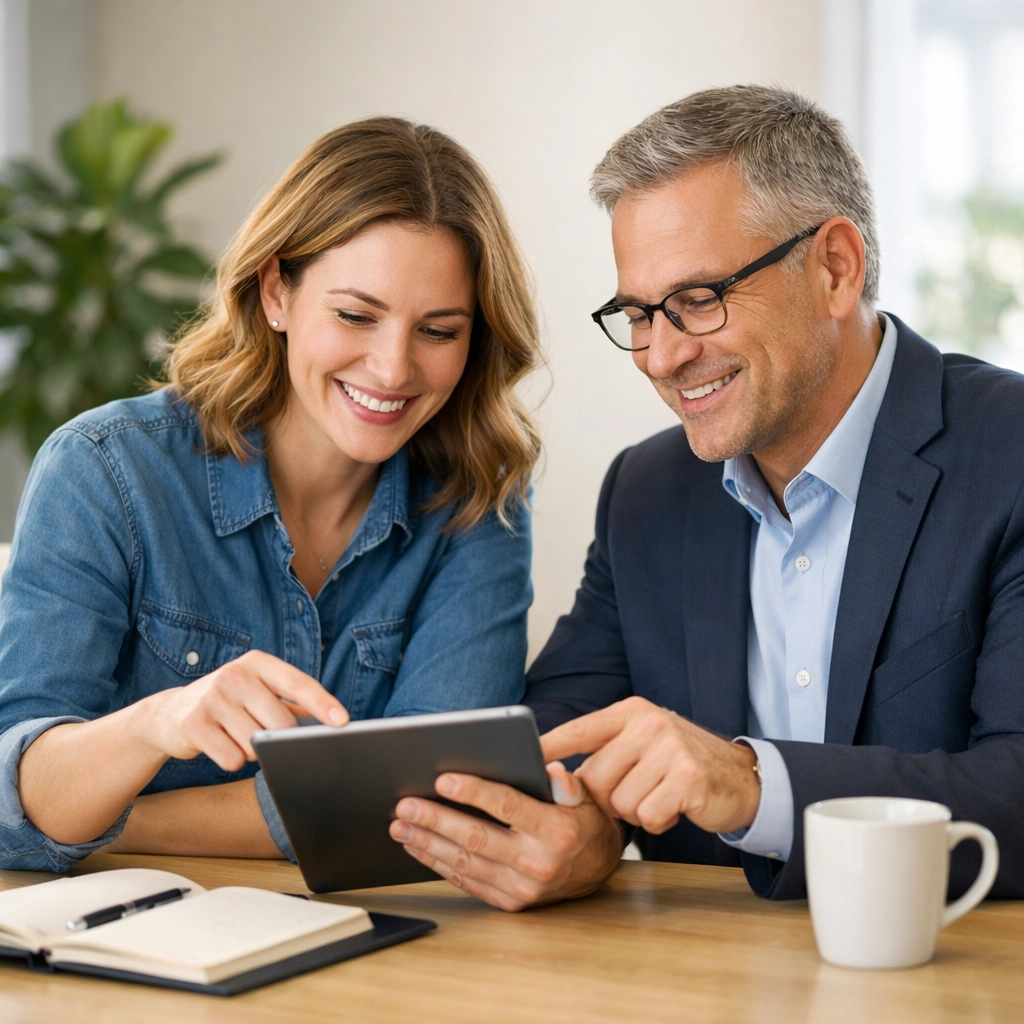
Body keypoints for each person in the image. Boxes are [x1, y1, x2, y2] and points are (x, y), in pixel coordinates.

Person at [387, 85, 1024, 909]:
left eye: (697, 301)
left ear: (835, 267)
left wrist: (757, 785)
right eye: (639, 313)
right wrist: (585, 827)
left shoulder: (1007, 455)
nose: (659, 356)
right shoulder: (646, 493)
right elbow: (562, 730)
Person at [0, 117, 541, 870]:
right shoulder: (106, 471)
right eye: (356, 315)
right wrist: (159, 722)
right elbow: (18, 796)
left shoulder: (478, 502)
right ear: (276, 291)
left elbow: (438, 809)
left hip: (367, 950)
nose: (392, 369)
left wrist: (110, 819)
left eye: (439, 331)